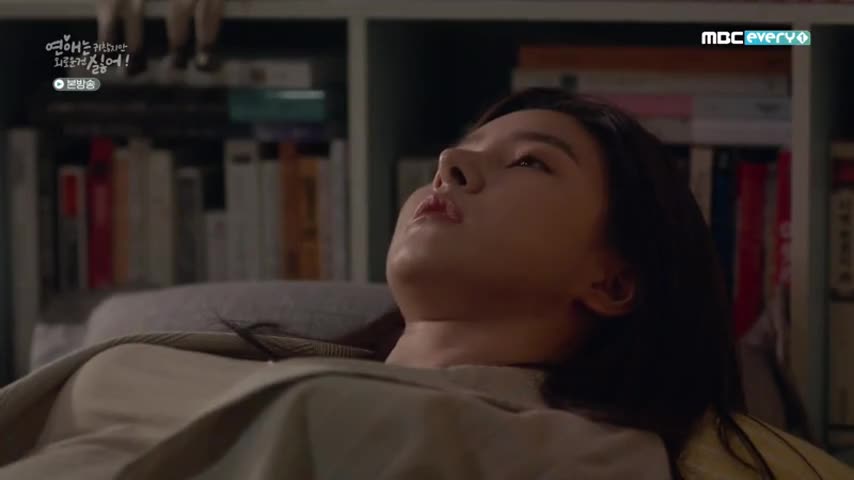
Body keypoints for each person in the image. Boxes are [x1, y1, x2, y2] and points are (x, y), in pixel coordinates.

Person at [0, 88, 850, 480]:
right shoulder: (239, 360)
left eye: (529, 163)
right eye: (460, 153)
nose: (450, 166)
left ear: (614, 280)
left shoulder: (581, 453)